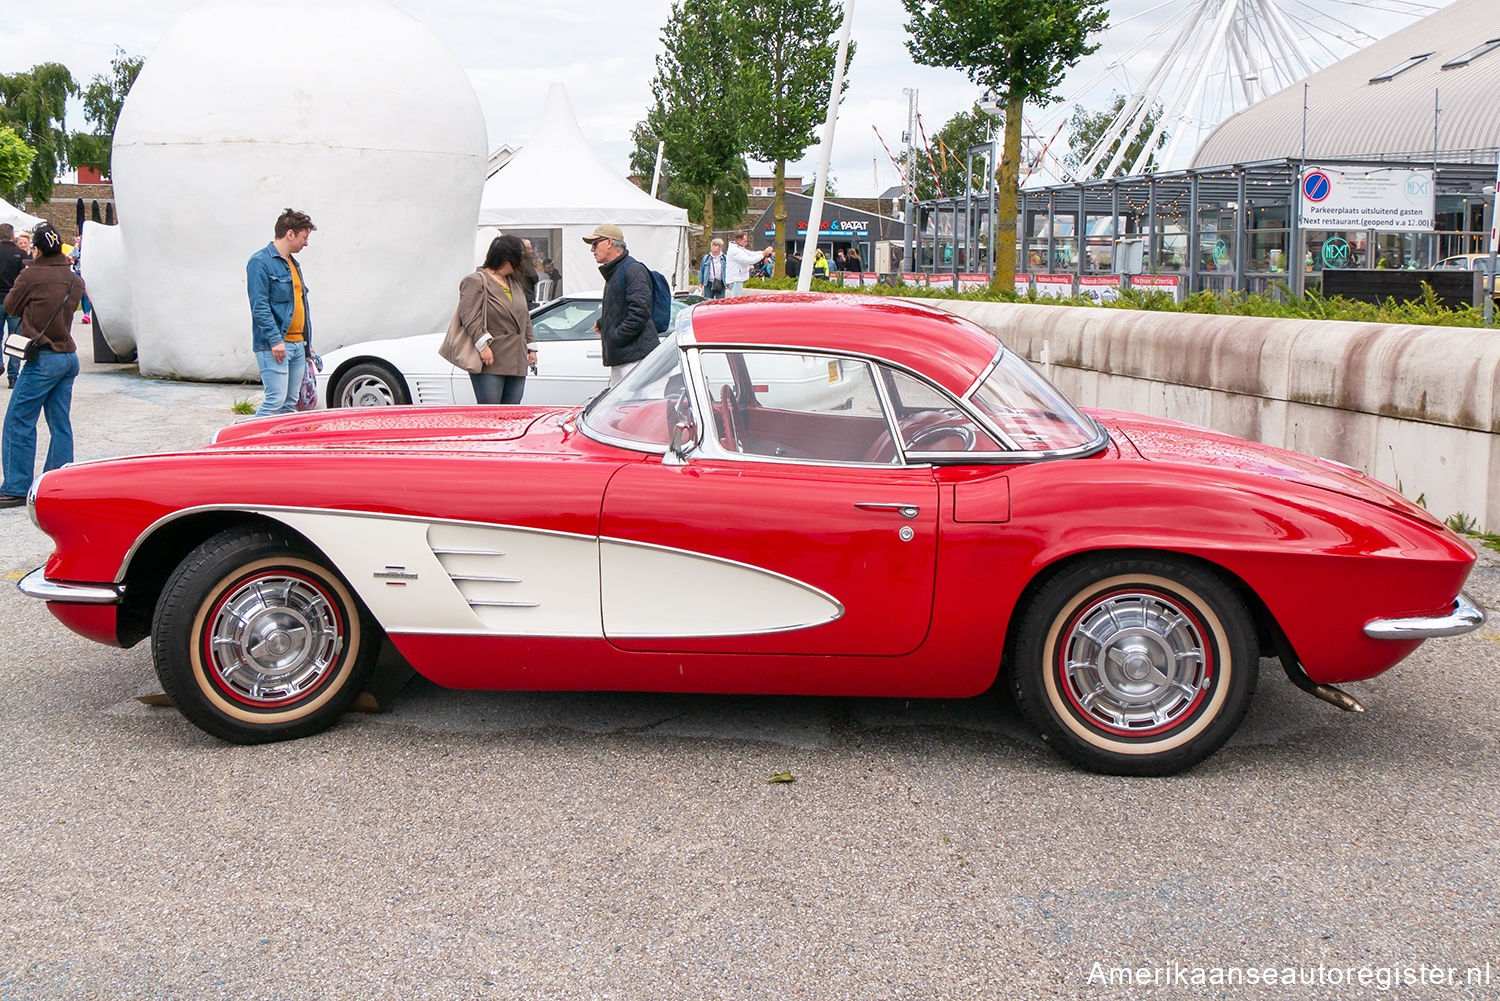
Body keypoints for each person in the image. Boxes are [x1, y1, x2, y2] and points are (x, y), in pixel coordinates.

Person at [0, 223, 84, 507]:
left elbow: (10, 307)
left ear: (36, 249)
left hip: (44, 357)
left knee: (18, 420)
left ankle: (16, 485)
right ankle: (59, 485)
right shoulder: (75, 280)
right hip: (68, 356)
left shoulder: (31, 275)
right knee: (60, 423)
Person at [246, 208, 315, 418]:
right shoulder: (260, 262)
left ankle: (276, 447)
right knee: (275, 400)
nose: (306, 243)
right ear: (290, 234)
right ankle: (246, 445)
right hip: (275, 346)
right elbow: (259, 305)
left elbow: (300, 305)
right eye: (304, 237)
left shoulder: (293, 264)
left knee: (289, 404)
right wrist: (275, 340)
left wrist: (306, 340)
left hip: (297, 346)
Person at [457, 234, 537, 404]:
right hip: (491, 358)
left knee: (512, 414)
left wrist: (531, 347)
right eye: (522, 256)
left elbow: (524, 316)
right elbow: (469, 317)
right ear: (508, 258)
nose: (525, 261)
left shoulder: (515, 283)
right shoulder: (476, 281)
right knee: (491, 413)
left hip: (517, 358)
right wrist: (483, 345)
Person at [585, 223, 655, 385]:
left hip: (635, 359)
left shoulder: (631, 269)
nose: (592, 250)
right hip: (624, 358)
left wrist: (615, 337)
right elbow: (621, 307)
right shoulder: (616, 270)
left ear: (609, 242)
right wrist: (604, 323)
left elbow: (639, 312)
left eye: (595, 244)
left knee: (635, 408)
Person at [0, 224, 28, 389]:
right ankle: (13, 376)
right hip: (15, 301)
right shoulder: (21, 255)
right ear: (12, 236)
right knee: (14, 338)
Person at [724, 230, 772, 297]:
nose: (746, 243)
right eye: (745, 241)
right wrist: (763, 254)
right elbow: (748, 260)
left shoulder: (739, 248)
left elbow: (750, 253)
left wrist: (764, 252)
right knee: (736, 300)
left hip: (737, 278)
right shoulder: (735, 250)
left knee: (736, 299)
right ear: (739, 240)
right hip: (736, 279)